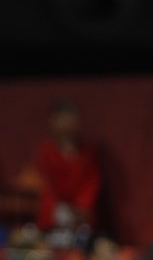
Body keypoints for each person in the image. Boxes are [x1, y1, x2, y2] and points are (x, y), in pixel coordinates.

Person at [34, 100, 102, 234]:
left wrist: (82, 207)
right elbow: (45, 183)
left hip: (81, 217)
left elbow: (92, 182)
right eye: (64, 120)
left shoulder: (86, 153)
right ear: (54, 121)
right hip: (53, 217)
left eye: (72, 120)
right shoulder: (45, 152)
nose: (69, 125)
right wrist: (61, 209)